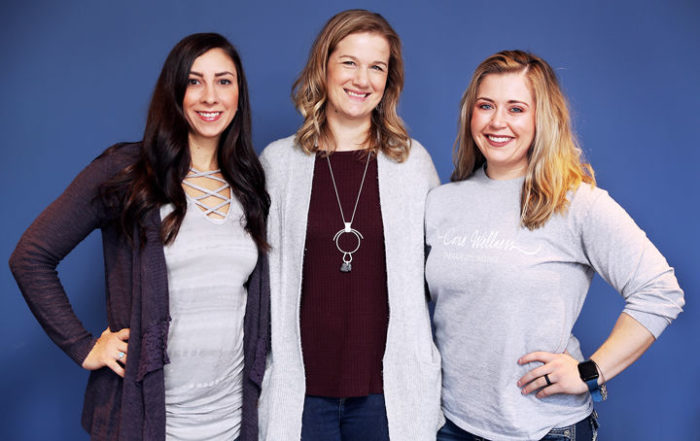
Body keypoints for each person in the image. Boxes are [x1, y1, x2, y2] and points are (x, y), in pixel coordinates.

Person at [9, 33, 270, 441]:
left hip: (230, 421)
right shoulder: (128, 171)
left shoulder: (250, 183)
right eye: (194, 81)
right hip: (149, 422)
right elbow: (31, 256)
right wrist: (84, 345)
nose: (210, 96)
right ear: (174, 91)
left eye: (224, 81)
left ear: (239, 94)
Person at [425, 50, 684, 441]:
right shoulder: (442, 202)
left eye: (516, 109)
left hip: (544, 430)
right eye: (486, 106)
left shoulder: (574, 202)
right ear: (470, 114)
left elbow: (660, 291)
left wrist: (590, 373)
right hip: (452, 426)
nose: (497, 122)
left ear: (541, 118)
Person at [258, 9, 442, 441]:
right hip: (300, 393)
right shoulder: (278, 164)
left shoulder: (413, 164)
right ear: (323, 66)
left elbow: (445, 272)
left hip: (387, 394)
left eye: (377, 67)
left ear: (388, 80)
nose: (362, 79)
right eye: (349, 62)